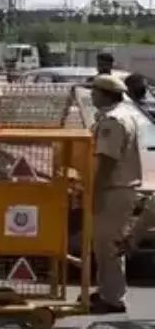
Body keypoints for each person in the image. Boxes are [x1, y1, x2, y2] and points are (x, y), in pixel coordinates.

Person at [88, 74, 143, 314]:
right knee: (105, 245)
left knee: (107, 246)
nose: (92, 96)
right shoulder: (123, 115)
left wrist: (96, 192)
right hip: (119, 189)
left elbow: (107, 162)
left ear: (105, 94)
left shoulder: (113, 120)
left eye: (94, 91)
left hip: (114, 189)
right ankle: (107, 291)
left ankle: (113, 298)